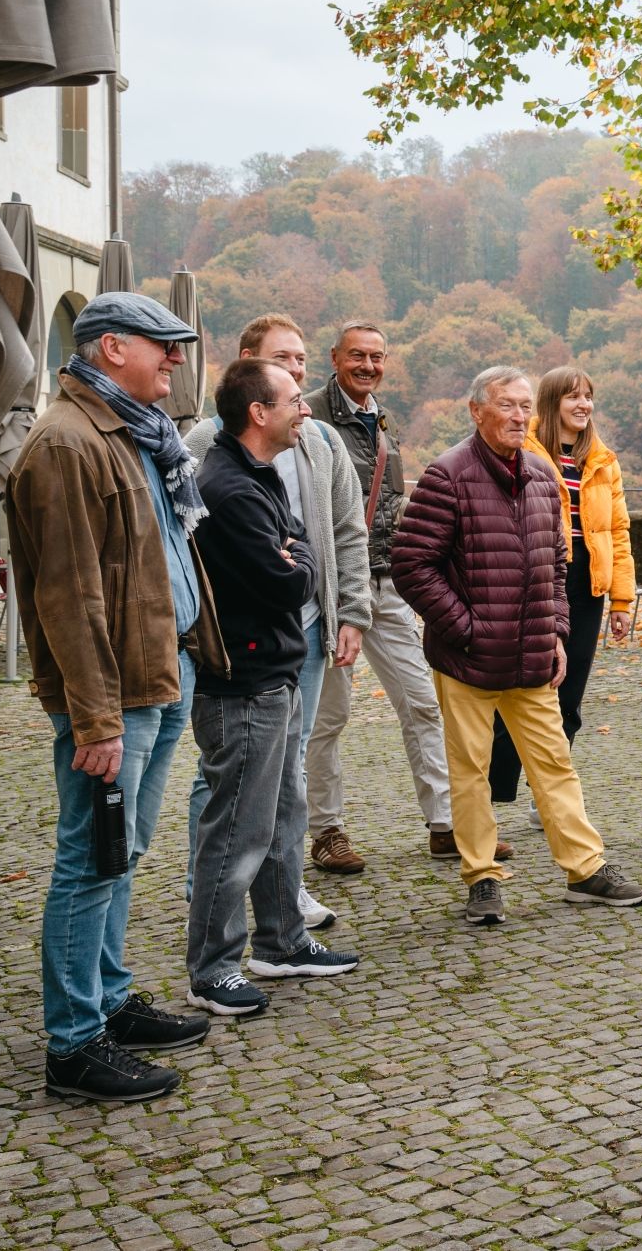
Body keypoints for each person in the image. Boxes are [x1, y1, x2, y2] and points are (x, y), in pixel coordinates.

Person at [7, 293, 225, 1103]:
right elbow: (67, 595)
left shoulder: (135, 432)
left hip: (159, 675)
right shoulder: (66, 442)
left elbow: (162, 556)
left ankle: (106, 999)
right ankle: (74, 1044)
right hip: (116, 696)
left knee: (121, 852)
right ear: (109, 349)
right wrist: (95, 719)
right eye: (161, 343)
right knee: (90, 859)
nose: (176, 357)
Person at [391, 366, 642, 926]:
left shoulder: (539, 474)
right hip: (466, 659)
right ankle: (481, 877)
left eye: (524, 406)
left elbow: (556, 563)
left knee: (554, 764)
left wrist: (556, 631)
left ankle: (585, 870)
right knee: (470, 770)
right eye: (505, 405)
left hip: (532, 654)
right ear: (476, 411)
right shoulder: (447, 475)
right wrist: (465, 628)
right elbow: (411, 565)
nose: (517, 416)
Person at [183, 314, 371, 935]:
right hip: (236, 638)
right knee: (228, 771)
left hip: (310, 630)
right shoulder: (205, 446)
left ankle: (283, 894)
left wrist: (351, 612)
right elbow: (187, 534)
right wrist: (295, 559)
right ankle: (208, 886)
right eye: (282, 360)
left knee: (290, 766)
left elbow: (346, 529)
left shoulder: (320, 441)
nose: (298, 370)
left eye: (301, 360)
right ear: (250, 372)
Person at [303, 320, 488, 873]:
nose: (368, 365)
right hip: (334, 587)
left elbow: (391, 505)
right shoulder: (311, 417)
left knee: (423, 702)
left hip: (384, 581)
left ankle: (446, 825)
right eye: (357, 355)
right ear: (334, 357)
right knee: (329, 717)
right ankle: (327, 830)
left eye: (377, 357)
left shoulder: (382, 420)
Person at [490, 367, 637, 827]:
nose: (583, 405)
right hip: (536, 581)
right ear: (552, 402)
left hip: (587, 587)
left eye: (588, 396)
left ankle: (548, 796)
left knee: (569, 696)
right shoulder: (524, 450)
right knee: (522, 690)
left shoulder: (603, 460)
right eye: (573, 396)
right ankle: (491, 793)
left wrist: (621, 601)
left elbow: (618, 531)